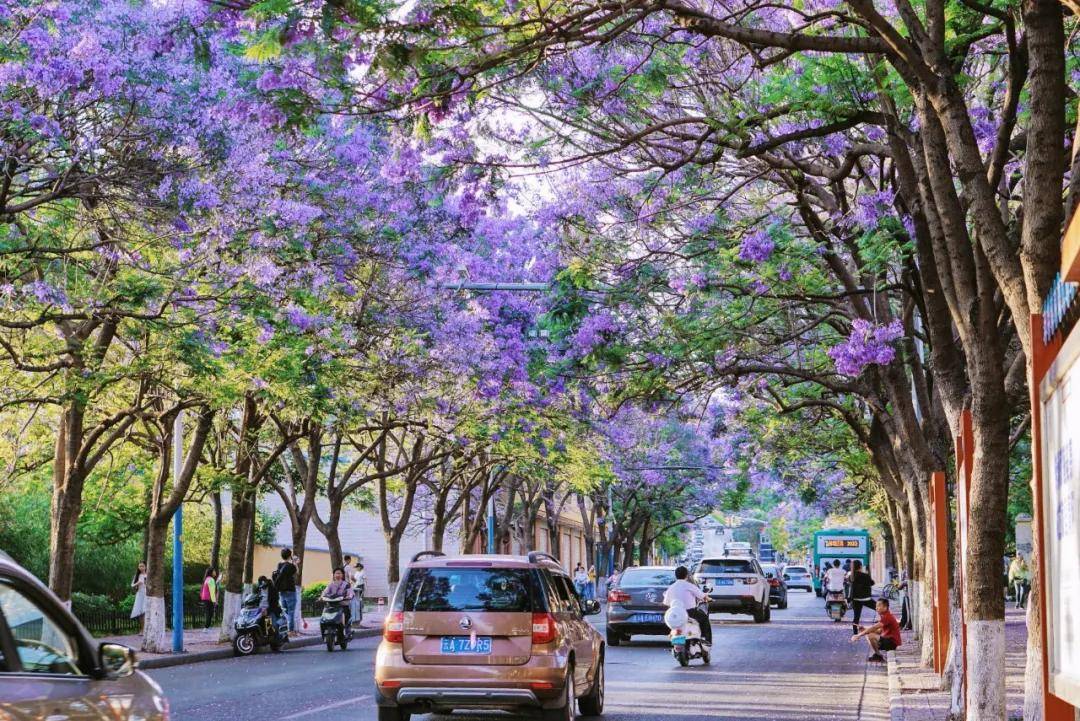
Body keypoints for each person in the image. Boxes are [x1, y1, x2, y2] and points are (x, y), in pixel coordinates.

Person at [663, 566, 711, 645]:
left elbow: (666, 602)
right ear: (686, 575)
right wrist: (708, 598)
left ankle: (674, 639)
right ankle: (707, 641)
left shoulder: (671, 588)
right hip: (690, 612)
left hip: (675, 614)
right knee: (704, 619)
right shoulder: (689, 586)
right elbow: (703, 596)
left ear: (676, 576)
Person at [273, 548, 299, 634]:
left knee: (284, 611)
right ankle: (290, 631)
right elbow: (297, 572)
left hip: (281, 591)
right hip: (290, 591)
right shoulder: (291, 566)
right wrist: (295, 562)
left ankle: (283, 629)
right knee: (291, 611)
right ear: (289, 556)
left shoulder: (279, 565)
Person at [847, 560, 875, 634]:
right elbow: (872, 583)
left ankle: (855, 632)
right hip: (866, 599)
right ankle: (885, 626)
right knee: (879, 609)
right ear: (860, 566)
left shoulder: (851, 576)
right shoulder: (865, 575)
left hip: (855, 599)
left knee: (856, 616)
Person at [130, 561, 147, 631]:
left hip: (147, 594)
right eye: (140, 566)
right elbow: (132, 585)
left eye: (142, 566)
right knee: (140, 612)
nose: (141, 568)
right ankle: (142, 629)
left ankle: (147, 629)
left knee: (146, 611)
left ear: (145, 566)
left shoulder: (148, 575)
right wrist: (138, 583)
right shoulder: (137, 576)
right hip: (140, 594)